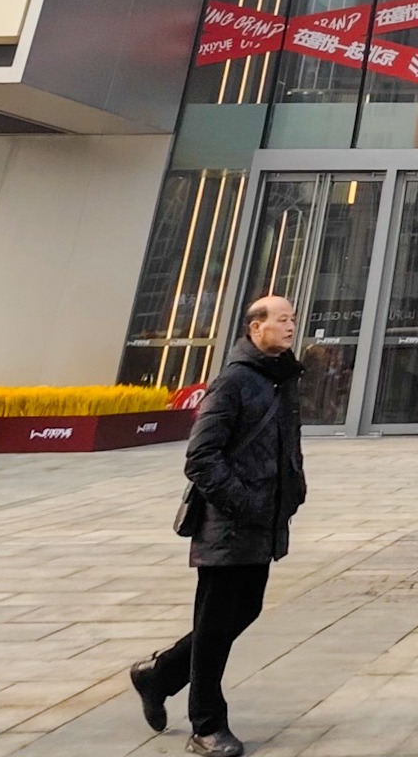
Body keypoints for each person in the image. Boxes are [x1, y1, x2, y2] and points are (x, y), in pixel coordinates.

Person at [132, 294, 307, 757]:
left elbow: (285, 443)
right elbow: (201, 457)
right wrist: (245, 503)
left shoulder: (280, 378)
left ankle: (159, 675)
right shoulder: (233, 381)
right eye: (281, 319)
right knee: (214, 626)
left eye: (292, 319)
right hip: (228, 522)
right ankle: (206, 725)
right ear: (255, 328)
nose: (291, 326)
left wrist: (294, 488)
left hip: (262, 522)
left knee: (244, 610)